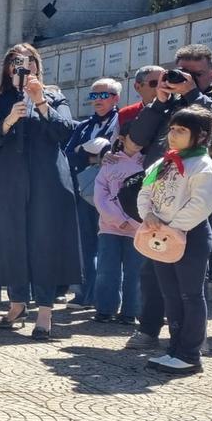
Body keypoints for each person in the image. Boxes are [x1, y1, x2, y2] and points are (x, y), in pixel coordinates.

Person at [124, 44, 212, 350]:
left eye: (195, 73)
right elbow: (135, 141)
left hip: (195, 197)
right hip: (161, 195)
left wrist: (192, 95)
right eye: (181, 71)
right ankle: (149, 328)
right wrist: (159, 103)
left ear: (211, 73)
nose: (186, 77)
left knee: (192, 272)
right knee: (152, 267)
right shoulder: (167, 102)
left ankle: (193, 339)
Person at [0, 43, 80, 341]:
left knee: (45, 242)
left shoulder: (54, 96)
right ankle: (17, 304)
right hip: (8, 181)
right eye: (16, 64)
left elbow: (64, 132)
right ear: (8, 70)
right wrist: (9, 120)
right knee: (12, 242)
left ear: (37, 67)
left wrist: (41, 103)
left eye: (28, 63)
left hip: (47, 181)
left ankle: (45, 310)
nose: (22, 69)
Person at [138, 105, 212, 373]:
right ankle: (174, 348)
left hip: (190, 235)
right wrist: (148, 214)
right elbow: (145, 190)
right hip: (160, 235)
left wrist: (173, 227)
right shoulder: (164, 162)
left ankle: (190, 353)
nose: (173, 135)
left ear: (200, 136)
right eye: (172, 129)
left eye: (181, 130)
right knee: (170, 295)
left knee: (191, 295)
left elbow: (202, 204)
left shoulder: (204, 166)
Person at [65, 78, 123, 306]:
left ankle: (105, 297)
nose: (97, 100)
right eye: (93, 96)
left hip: (112, 192)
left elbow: (120, 153)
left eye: (103, 95)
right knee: (86, 244)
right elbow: (69, 154)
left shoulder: (122, 121)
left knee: (109, 246)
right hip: (85, 190)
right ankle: (84, 293)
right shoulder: (84, 126)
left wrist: (94, 156)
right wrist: (88, 153)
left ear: (115, 97)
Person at [92, 132, 145, 324]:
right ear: (122, 139)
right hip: (109, 227)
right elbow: (100, 195)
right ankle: (105, 309)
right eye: (134, 138)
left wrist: (133, 221)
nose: (139, 142)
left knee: (135, 271)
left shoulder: (148, 163)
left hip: (138, 228)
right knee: (107, 270)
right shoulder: (110, 162)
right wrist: (117, 218)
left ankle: (132, 311)